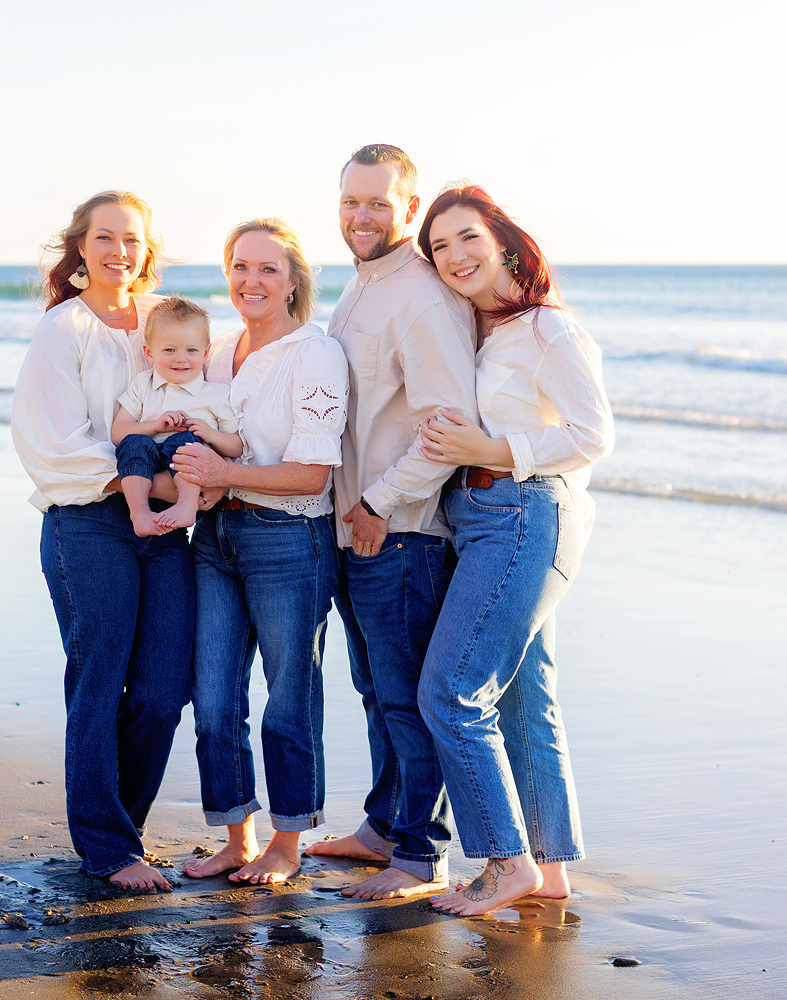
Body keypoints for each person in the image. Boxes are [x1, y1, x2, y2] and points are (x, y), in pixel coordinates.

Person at [413, 183, 613, 916]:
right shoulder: (487, 331)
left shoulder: (548, 330)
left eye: (466, 237)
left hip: (525, 515)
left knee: (451, 691)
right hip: (488, 517)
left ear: (501, 239)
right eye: (438, 247)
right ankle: (549, 869)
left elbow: (594, 436)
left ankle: (505, 861)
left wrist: (492, 448)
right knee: (527, 700)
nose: (454, 255)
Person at [11, 191, 201, 892]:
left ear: (146, 249)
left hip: (166, 533)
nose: (120, 251)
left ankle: (126, 830)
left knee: (161, 688)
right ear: (81, 247)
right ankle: (107, 846)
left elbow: (212, 400)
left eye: (131, 240)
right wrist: (156, 483)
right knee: (99, 679)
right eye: (105, 238)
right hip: (87, 524)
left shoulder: (165, 321)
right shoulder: (64, 330)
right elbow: (53, 447)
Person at [303, 144, 477, 899]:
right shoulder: (361, 288)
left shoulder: (421, 296)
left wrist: (377, 503)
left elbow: (450, 421)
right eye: (350, 202)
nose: (362, 216)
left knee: (404, 696)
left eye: (378, 202)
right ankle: (383, 825)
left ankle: (419, 853)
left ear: (410, 209)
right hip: (354, 529)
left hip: (399, 532)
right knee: (375, 689)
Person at [169, 219, 349, 885]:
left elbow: (311, 474)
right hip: (214, 538)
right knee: (214, 697)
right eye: (240, 266)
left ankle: (287, 843)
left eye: (268, 269)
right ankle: (236, 836)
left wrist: (220, 476)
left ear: (294, 280)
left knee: (288, 699)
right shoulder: (216, 352)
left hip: (289, 542)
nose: (251, 280)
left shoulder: (314, 353)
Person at [111, 296, 243, 536]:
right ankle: (139, 512)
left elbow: (237, 446)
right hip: (146, 464)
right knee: (133, 443)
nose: (181, 358)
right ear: (149, 353)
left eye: (191, 350)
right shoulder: (143, 384)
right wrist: (155, 426)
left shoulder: (216, 394)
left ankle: (187, 504)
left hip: (187, 472)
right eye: (169, 350)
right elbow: (118, 433)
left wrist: (210, 435)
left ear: (206, 352)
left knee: (184, 442)